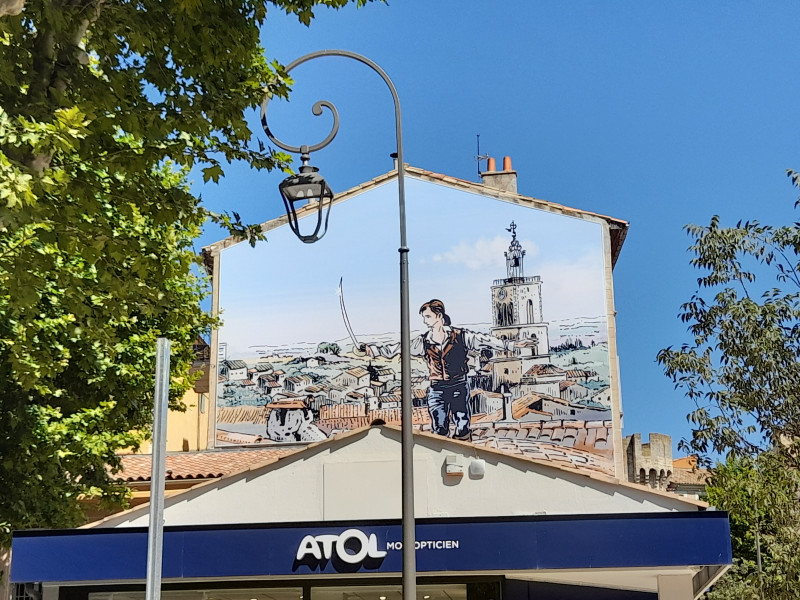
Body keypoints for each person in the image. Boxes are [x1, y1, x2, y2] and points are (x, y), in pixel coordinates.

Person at [366, 299, 513, 440]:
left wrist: (511, 346)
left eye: (428, 316)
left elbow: (485, 340)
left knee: (462, 426)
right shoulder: (423, 341)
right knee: (439, 427)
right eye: (424, 317)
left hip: (458, 385)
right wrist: (375, 350)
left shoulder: (461, 336)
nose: (425, 321)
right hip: (437, 389)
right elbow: (398, 348)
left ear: (439, 316)